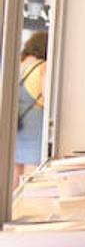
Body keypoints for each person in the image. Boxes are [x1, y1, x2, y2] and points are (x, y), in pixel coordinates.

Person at [15, 30, 47, 182]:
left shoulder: (15, 65)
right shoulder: (42, 68)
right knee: (27, 190)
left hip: (14, 134)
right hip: (35, 139)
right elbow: (48, 100)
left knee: (9, 188)